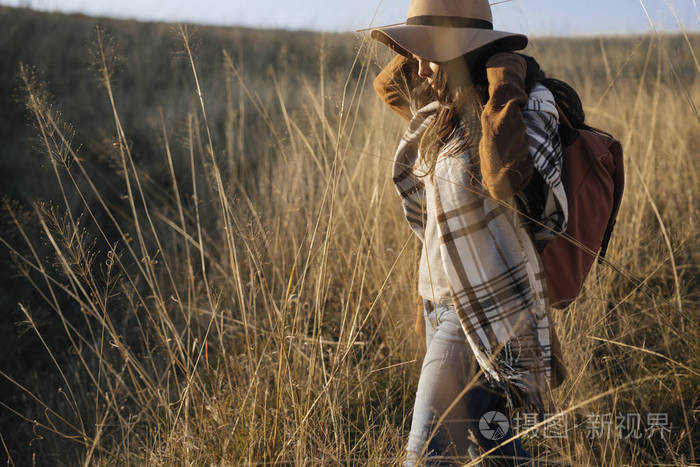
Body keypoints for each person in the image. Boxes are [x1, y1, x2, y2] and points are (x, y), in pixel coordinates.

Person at [370, 0, 569, 465]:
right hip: (438, 303)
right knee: (495, 445)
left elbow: (504, 173)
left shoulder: (525, 106)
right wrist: (432, 46)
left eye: (429, 53)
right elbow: (388, 85)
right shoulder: (439, 105)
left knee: (428, 453)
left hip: (487, 310)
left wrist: (502, 79)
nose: (418, 69)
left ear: (465, 48)